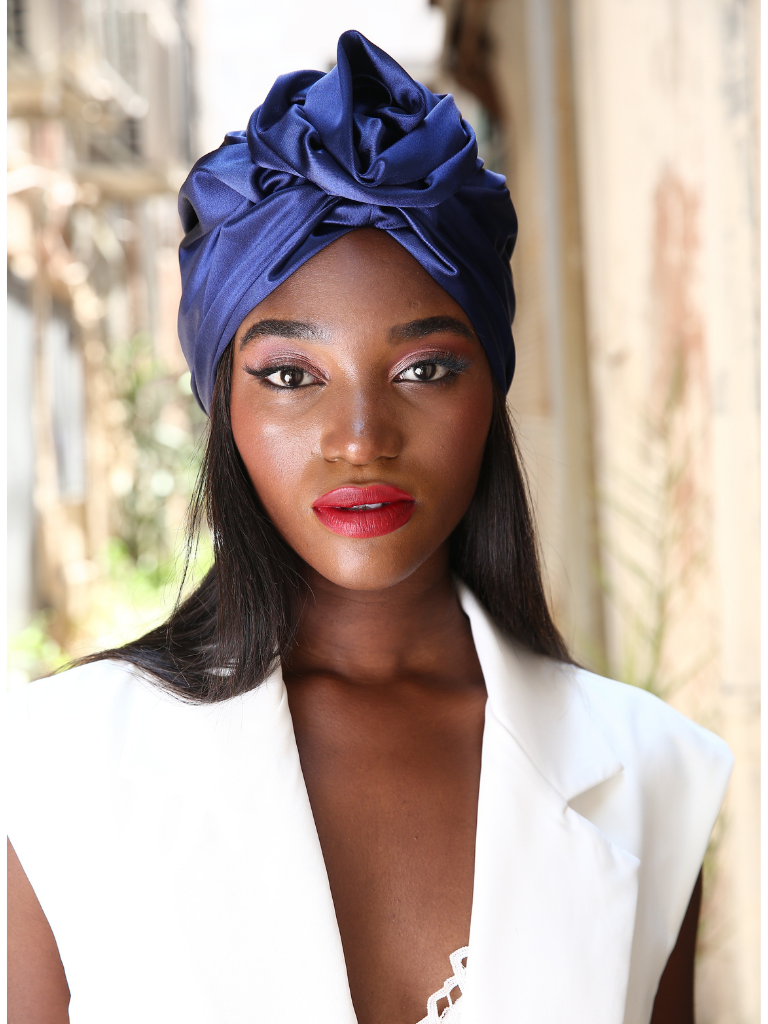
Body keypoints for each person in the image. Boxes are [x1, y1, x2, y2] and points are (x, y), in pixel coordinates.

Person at [7, 31, 732, 1024]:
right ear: (226, 405)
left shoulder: (649, 776)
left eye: (425, 367)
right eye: (292, 377)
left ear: (490, 388)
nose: (360, 439)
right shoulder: (54, 768)